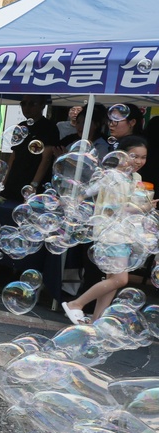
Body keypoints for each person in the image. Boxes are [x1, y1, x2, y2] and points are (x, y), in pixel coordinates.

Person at [62, 136, 149, 324]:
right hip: (110, 234)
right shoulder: (110, 176)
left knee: (111, 281)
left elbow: (133, 205)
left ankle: (96, 320)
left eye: (143, 157)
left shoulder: (136, 178)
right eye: (134, 156)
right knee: (120, 279)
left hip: (125, 234)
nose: (139, 161)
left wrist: (143, 206)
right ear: (122, 154)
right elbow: (110, 205)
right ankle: (76, 304)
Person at [2, 95, 59, 201]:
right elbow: (14, 155)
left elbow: (46, 158)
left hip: (32, 181)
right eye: (23, 104)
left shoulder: (49, 127)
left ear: (42, 105)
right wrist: (4, 180)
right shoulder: (21, 126)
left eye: (32, 104)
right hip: (14, 179)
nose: (27, 107)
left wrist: (34, 185)